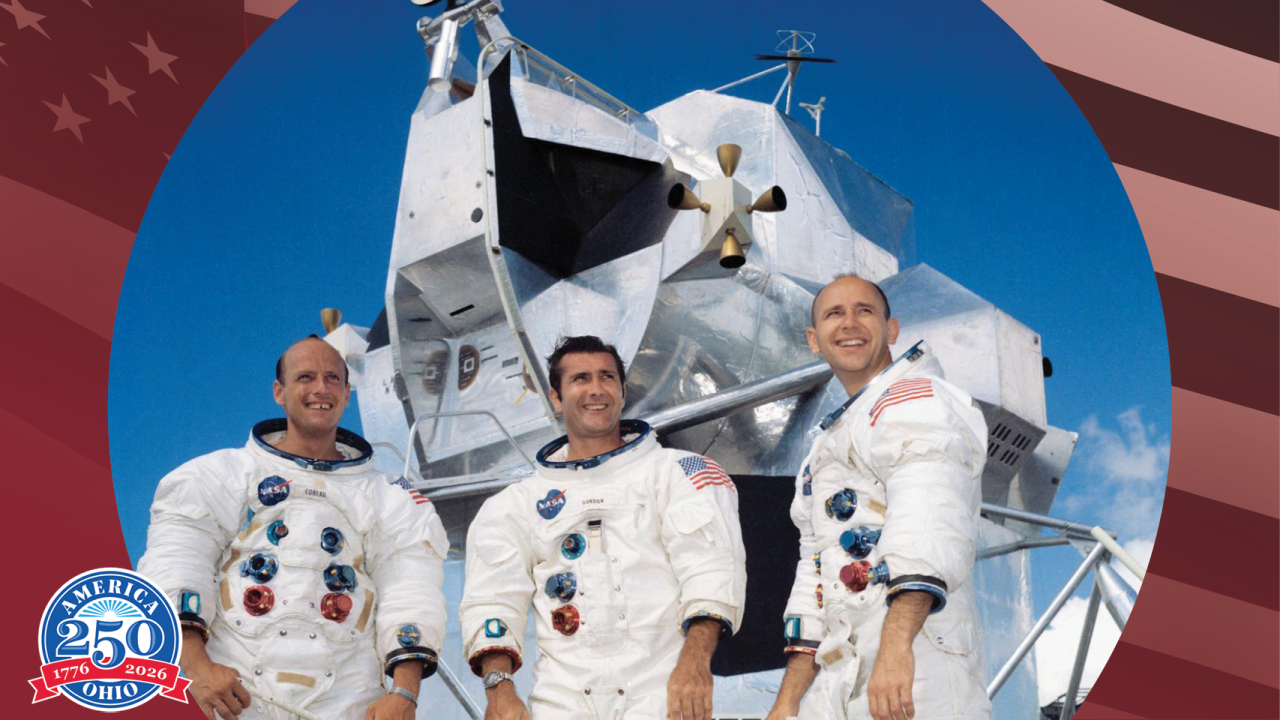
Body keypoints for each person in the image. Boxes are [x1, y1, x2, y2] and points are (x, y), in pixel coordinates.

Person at [137, 337, 449, 720]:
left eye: (333, 378)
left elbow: (411, 591)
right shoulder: (217, 476)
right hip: (231, 698)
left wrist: (403, 692)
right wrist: (197, 667)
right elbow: (177, 565)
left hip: (347, 705)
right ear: (279, 392)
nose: (321, 388)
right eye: (305, 377)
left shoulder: (389, 498)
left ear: (348, 394)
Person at [459, 335, 747, 720]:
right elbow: (493, 601)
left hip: (663, 695)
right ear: (556, 398)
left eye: (607, 377)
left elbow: (711, 572)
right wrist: (499, 689)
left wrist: (695, 663)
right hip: (562, 703)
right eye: (580, 379)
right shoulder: (514, 505)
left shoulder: (681, 473)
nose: (596, 389)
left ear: (623, 391)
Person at [766, 276, 991, 720]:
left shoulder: (916, 398)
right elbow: (815, 576)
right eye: (834, 314)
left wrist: (895, 650)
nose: (849, 323)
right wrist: (787, 702)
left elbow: (928, 519)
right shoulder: (823, 449)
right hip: (841, 669)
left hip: (916, 654)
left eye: (864, 311)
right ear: (814, 340)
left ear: (891, 330)